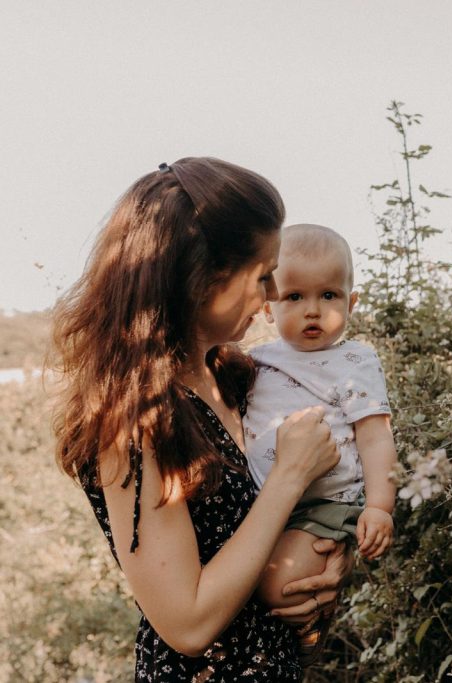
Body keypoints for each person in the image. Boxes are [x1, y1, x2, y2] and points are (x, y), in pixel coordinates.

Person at [52, 158, 351, 681]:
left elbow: (271, 533)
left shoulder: (238, 379)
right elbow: (187, 625)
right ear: (202, 281)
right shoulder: (134, 422)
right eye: (263, 276)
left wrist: (329, 562)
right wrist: (289, 476)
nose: (275, 297)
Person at [243, 224, 397, 660]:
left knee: (279, 587)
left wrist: (379, 506)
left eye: (328, 296)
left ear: (351, 303)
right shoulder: (255, 361)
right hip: (267, 502)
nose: (313, 310)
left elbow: (375, 437)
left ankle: (308, 642)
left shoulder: (355, 361)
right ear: (268, 307)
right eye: (294, 297)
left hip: (324, 505)